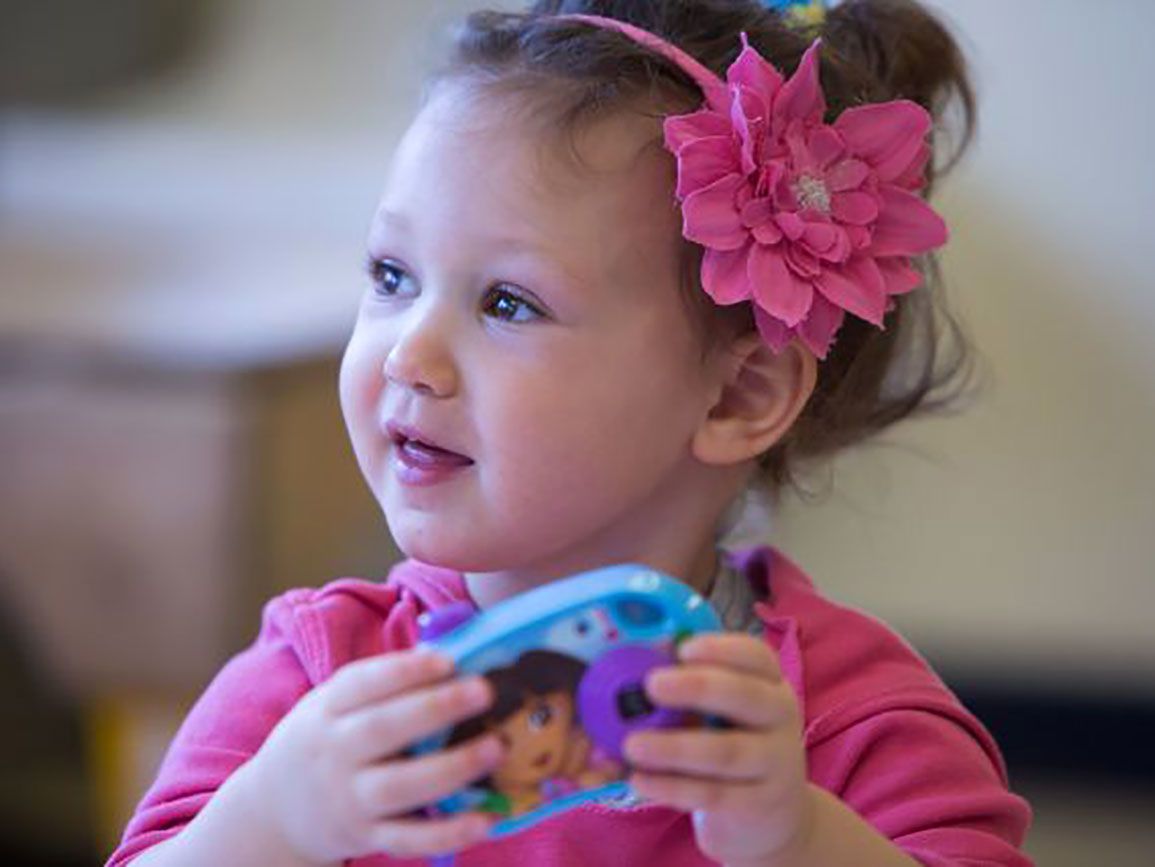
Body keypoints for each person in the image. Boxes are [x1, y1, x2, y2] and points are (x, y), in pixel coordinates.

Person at [107, 1, 1034, 865]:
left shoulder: (852, 726)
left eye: (508, 301)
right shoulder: (316, 683)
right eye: (391, 275)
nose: (407, 355)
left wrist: (794, 835)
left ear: (738, 397)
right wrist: (269, 821)